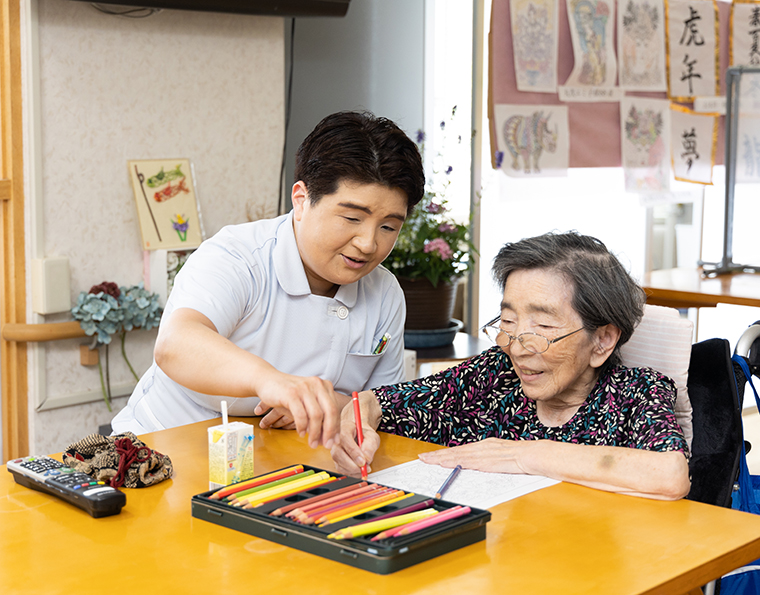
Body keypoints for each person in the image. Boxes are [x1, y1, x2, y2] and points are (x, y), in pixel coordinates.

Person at [111, 111, 425, 449]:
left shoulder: (385, 293)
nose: (368, 243)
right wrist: (272, 382)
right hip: (166, 450)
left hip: (285, 466)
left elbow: (380, 406)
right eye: (351, 218)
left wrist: (335, 406)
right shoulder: (237, 256)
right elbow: (176, 344)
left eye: (389, 226)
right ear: (301, 200)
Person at [331, 232, 691, 500]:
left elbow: (669, 474)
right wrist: (357, 420)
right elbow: (383, 402)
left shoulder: (635, 392)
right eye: (507, 321)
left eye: (544, 327)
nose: (517, 347)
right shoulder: (495, 375)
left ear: (602, 341)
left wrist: (524, 453)